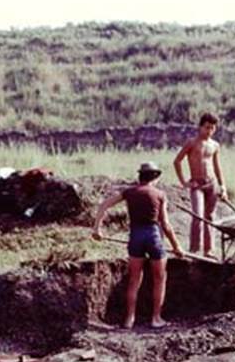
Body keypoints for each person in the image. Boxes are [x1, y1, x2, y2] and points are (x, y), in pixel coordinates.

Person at [93, 162, 184, 329]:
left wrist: (97, 228)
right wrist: (177, 247)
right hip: (153, 237)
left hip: (136, 236)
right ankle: (156, 319)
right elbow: (166, 225)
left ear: (140, 176)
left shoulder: (129, 192)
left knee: (134, 280)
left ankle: (129, 319)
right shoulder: (160, 194)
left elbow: (104, 204)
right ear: (155, 177)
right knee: (159, 279)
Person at [174, 112, 227, 257]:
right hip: (196, 184)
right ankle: (194, 249)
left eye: (212, 128)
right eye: (206, 127)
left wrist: (223, 186)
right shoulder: (192, 143)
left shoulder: (215, 145)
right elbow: (177, 161)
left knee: (210, 216)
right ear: (200, 127)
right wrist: (184, 182)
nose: (209, 131)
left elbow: (217, 167)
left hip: (212, 184)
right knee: (197, 216)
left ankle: (209, 250)